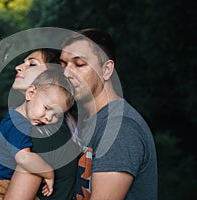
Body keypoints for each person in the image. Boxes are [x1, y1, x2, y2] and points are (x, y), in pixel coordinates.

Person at [59, 28, 158, 199]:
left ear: (106, 70)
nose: (66, 73)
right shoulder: (89, 122)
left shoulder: (121, 129)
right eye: (63, 64)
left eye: (79, 64)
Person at [0, 49, 80, 200]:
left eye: (32, 64)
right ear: (31, 93)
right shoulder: (25, 123)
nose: (18, 67)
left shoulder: (42, 134)